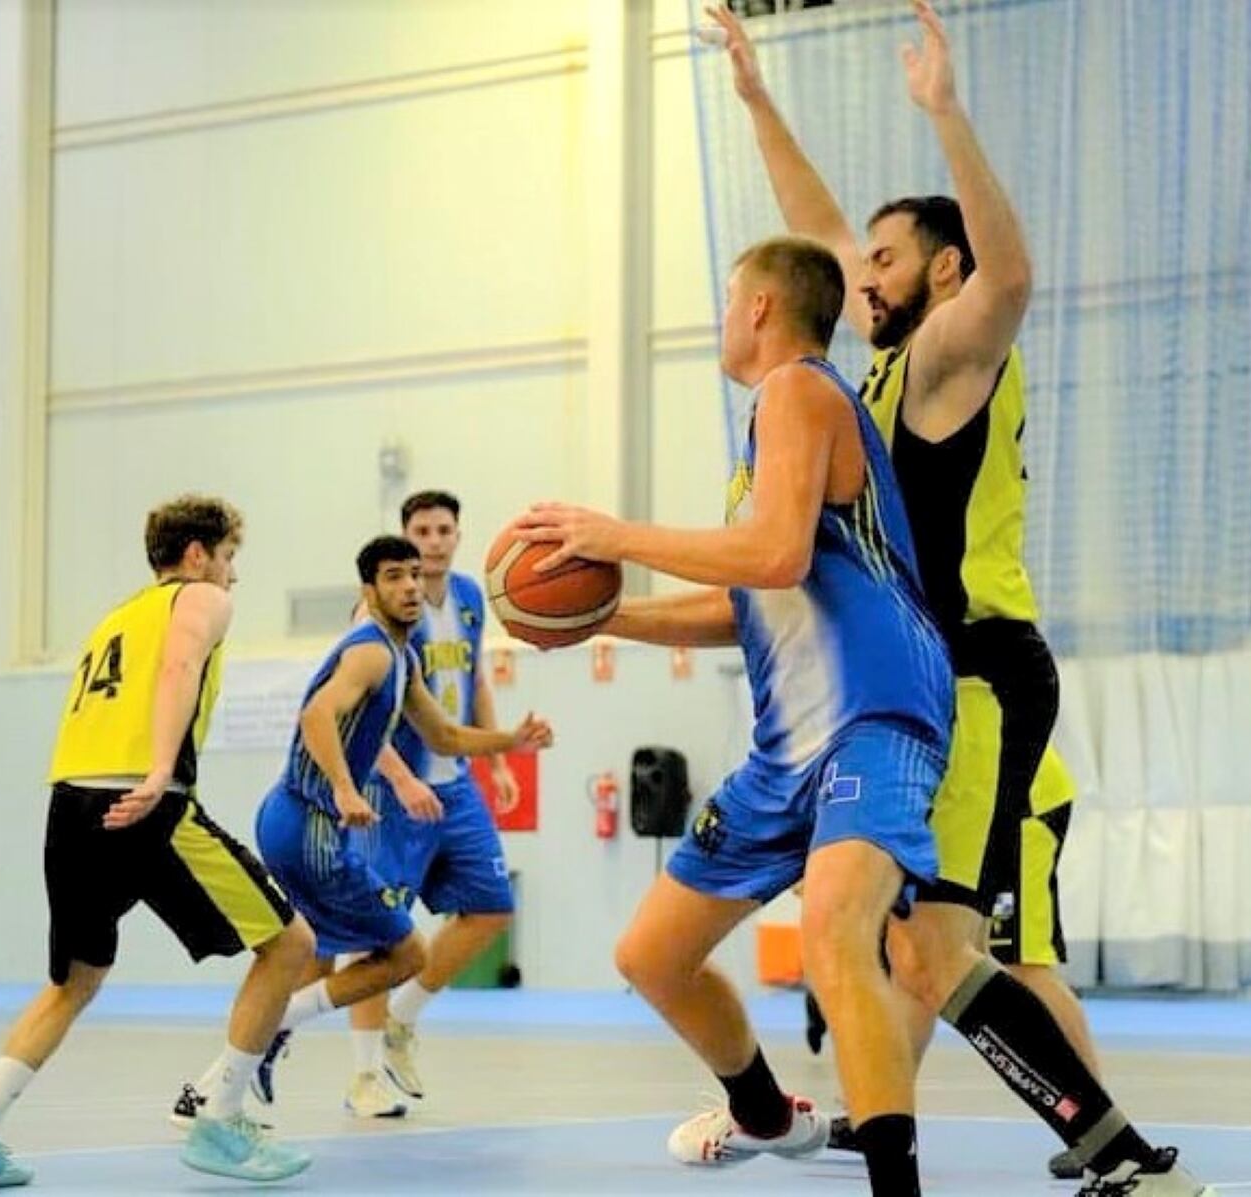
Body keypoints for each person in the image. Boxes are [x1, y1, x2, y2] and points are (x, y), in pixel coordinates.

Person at [705, 4, 1212, 1193]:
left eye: (883, 259)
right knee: (922, 947)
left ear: (939, 270)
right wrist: (756, 101)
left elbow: (1014, 271)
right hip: (920, 684)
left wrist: (945, 113)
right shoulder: (872, 365)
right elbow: (816, 233)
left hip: (980, 672)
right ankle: (1093, 1151)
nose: (857, 273)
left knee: (940, 946)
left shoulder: (950, 356)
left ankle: (1112, 1153)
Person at [515, 234, 952, 1195]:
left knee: (836, 931)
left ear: (757, 307)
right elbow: (748, 596)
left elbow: (776, 555)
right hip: (788, 741)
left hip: (876, 709)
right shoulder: (769, 431)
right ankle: (764, 1113)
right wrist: (603, 616)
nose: (722, 318)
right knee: (653, 954)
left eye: (726, 300)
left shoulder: (797, 389)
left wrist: (614, 534)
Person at [0, 495, 316, 1189]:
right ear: (197, 554)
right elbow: (178, 668)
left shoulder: (115, 618)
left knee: (72, 982)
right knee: (290, 944)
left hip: (70, 806)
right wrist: (161, 771)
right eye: (229, 557)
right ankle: (220, 1120)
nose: (233, 575)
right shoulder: (199, 598)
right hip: (145, 803)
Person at [171, 535, 551, 1124]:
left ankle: (215, 1087)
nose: (408, 587)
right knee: (404, 953)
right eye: (393, 576)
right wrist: (347, 790)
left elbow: (445, 737)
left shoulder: (404, 658)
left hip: (293, 818)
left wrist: (510, 741)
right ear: (367, 591)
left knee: (299, 957)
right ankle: (275, 1034)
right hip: (310, 824)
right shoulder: (370, 651)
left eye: (415, 576)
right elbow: (317, 714)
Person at [342, 489, 532, 1116]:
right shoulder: (379, 609)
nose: (433, 539)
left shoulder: (473, 598)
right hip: (395, 788)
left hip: (455, 781)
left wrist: (498, 760)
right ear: (405, 537)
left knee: (490, 906)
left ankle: (403, 1019)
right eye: (421, 530)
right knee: (376, 934)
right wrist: (397, 777)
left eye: (444, 528)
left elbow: (475, 679)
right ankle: (365, 1076)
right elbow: (362, 709)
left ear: (458, 535)